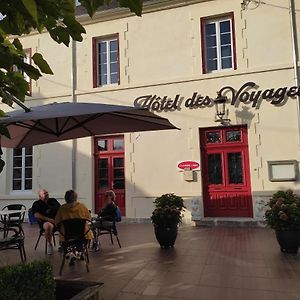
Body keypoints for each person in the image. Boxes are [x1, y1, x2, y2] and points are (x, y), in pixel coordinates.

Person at [55, 190, 93, 265]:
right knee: (85, 236)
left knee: (67, 241)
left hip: (67, 237)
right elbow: (89, 217)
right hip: (83, 236)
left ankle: (72, 253)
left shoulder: (62, 208)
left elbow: (57, 222)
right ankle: (79, 252)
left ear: (65, 198)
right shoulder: (82, 206)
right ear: (76, 198)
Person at [32, 189, 61, 255]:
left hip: (57, 221)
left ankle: (62, 244)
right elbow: (36, 215)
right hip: (45, 222)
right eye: (44, 193)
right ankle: (49, 244)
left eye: (47, 192)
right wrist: (48, 219)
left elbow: (60, 209)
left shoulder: (53, 200)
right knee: (48, 226)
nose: (46, 194)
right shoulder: (37, 203)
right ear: (40, 196)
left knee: (66, 224)